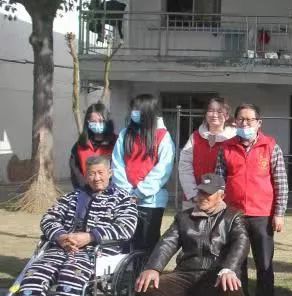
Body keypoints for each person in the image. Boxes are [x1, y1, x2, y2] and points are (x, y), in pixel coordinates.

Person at [0, 156, 137, 296]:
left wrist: (90, 236)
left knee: (70, 276)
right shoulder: (72, 197)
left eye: (101, 172)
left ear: (110, 173)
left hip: (94, 252)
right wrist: (60, 236)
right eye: (91, 173)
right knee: (34, 274)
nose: (96, 178)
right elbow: (49, 218)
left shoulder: (123, 199)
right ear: (85, 175)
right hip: (62, 248)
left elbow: (126, 227)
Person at [132, 174, 249, 296]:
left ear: (221, 195)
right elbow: (167, 242)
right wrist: (153, 268)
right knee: (146, 287)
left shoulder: (233, 217)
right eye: (200, 192)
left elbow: (241, 242)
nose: (202, 197)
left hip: (217, 275)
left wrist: (228, 269)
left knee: (233, 291)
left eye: (208, 194)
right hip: (186, 274)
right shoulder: (183, 217)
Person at [216, 103, 288, 296]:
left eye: (249, 120)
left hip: (262, 215)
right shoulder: (226, 148)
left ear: (259, 123)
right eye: (241, 119)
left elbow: (281, 183)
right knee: (237, 265)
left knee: (264, 265)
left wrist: (279, 213)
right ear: (235, 122)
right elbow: (218, 182)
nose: (245, 123)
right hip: (234, 215)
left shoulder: (271, 147)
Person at [112, 94, 175, 255]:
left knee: (147, 243)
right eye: (133, 109)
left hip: (151, 202)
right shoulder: (125, 134)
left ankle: (145, 270)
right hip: (125, 199)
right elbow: (117, 164)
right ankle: (126, 270)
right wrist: (127, 192)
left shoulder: (162, 136)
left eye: (137, 109)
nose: (133, 112)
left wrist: (140, 192)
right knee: (125, 241)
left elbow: (163, 170)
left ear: (148, 111)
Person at [178, 97, 236, 210]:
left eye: (219, 111)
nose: (214, 115)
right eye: (210, 110)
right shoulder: (195, 137)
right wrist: (193, 194)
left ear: (227, 116)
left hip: (222, 200)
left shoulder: (234, 139)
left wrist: (219, 196)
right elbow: (184, 166)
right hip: (195, 198)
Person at [69, 102, 117, 190]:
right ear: (88, 123)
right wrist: (86, 189)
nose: (97, 124)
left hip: (111, 191)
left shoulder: (116, 143)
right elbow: (75, 171)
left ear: (107, 122)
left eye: (101, 121)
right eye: (93, 122)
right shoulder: (80, 145)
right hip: (86, 191)